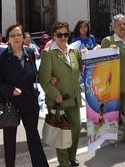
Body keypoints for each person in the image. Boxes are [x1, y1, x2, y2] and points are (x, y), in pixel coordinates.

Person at [0, 24, 48, 167]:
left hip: (29, 102)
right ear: (8, 39)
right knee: (10, 141)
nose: (16, 38)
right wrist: (11, 89)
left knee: (33, 137)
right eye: (12, 35)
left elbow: (33, 74)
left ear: (23, 37)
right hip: (10, 105)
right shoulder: (1, 58)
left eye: (19, 35)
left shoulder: (29, 52)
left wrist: (46, 79)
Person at [39, 21, 82, 167]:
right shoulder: (48, 53)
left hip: (74, 97)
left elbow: (86, 66)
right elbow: (44, 80)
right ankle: (64, 162)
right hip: (59, 100)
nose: (63, 38)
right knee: (62, 130)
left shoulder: (74, 51)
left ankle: (71, 156)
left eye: (66, 34)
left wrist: (105, 50)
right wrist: (55, 93)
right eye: (60, 35)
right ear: (54, 36)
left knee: (76, 127)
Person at [101, 14, 125, 145]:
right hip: (114, 83)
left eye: (124, 24)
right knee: (111, 112)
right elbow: (102, 62)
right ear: (113, 27)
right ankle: (107, 136)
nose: (122, 26)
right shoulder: (108, 41)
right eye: (118, 24)